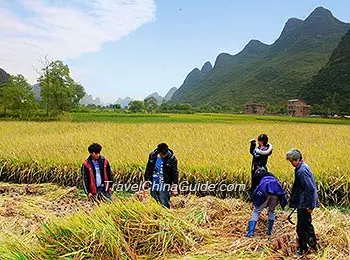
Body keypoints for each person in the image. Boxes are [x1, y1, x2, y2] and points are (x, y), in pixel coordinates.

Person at [286, 148, 318, 257]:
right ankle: (313, 246)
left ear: (297, 160)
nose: (291, 164)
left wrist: (310, 206)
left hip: (304, 203)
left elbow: (311, 189)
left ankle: (302, 249)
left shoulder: (302, 171)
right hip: (303, 202)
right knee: (307, 225)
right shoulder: (302, 167)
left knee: (301, 227)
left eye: (291, 161)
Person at [246, 167, 287, 237]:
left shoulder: (258, 177)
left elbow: (256, 191)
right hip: (276, 193)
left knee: (256, 211)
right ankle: (269, 232)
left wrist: (253, 201)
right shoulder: (271, 176)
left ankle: (250, 233)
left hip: (265, 192)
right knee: (271, 211)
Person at [144, 143, 178, 208]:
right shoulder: (152, 156)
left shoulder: (172, 158)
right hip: (154, 181)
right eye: (162, 154)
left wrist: (175, 186)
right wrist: (146, 180)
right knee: (154, 196)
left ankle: (166, 213)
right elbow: (148, 168)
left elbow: (175, 172)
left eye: (165, 154)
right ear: (158, 152)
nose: (164, 156)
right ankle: (158, 211)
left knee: (164, 198)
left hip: (165, 182)